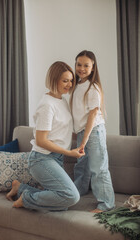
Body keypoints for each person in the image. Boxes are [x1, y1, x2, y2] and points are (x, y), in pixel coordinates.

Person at [6, 61, 85, 211]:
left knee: (61, 203)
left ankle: (20, 188)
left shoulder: (62, 100)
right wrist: (69, 153)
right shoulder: (47, 105)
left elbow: (64, 130)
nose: (69, 84)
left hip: (56, 158)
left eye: (71, 80)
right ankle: (26, 199)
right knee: (71, 196)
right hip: (42, 159)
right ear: (54, 79)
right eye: (65, 80)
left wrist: (86, 136)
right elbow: (41, 141)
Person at [70, 50, 115, 213]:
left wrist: (83, 141)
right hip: (83, 131)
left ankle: (106, 205)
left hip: (94, 132)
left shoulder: (93, 87)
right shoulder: (77, 85)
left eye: (86, 65)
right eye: (79, 64)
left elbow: (92, 115)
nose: (81, 68)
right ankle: (79, 191)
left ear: (93, 67)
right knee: (81, 165)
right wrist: (77, 133)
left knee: (98, 168)